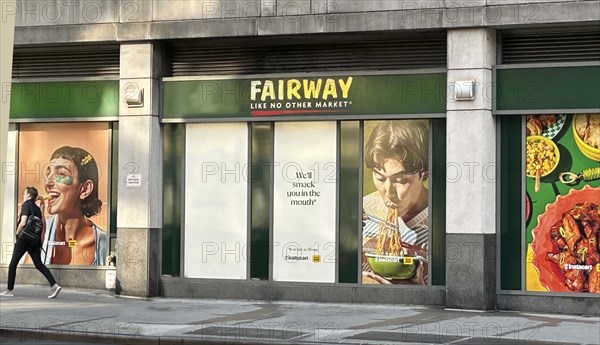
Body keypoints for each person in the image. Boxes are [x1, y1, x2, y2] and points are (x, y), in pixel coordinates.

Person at [362, 120, 429, 285]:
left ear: (424, 172)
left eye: (400, 180)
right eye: (379, 177)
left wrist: (419, 290)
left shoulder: (444, 220)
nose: (388, 192)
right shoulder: (362, 212)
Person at [40, 146, 107, 266]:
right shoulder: (39, 232)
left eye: (61, 174)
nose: (48, 183)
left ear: (85, 189)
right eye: (48, 174)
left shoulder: (105, 244)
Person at [0, 187, 62, 298]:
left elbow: (23, 222)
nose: (23, 196)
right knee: (38, 264)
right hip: (34, 240)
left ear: (29, 195)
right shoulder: (37, 208)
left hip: (24, 239)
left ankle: (9, 290)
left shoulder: (26, 205)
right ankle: (54, 285)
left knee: (13, 263)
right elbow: (41, 223)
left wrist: (17, 233)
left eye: (24, 193)